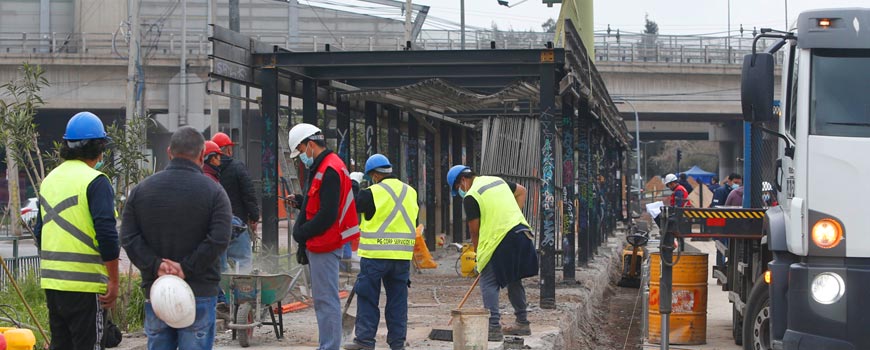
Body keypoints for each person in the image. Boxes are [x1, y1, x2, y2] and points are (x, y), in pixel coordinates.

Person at [122, 127, 232, 350]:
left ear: (169, 152)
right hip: (199, 291)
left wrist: (156, 265)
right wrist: (186, 268)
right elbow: (219, 238)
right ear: (202, 155)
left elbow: (128, 237)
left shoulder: (141, 191)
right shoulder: (214, 192)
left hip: (157, 292)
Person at [34, 111, 119, 350]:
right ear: (99, 147)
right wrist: (113, 281)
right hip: (87, 286)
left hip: (53, 284)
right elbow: (107, 235)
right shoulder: (96, 181)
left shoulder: (49, 180)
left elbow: (40, 232)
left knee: (61, 345)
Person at [287, 123, 360, 350]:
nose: (301, 158)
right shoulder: (323, 167)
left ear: (310, 145)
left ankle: (329, 347)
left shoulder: (329, 169)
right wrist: (302, 202)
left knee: (326, 301)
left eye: (300, 152)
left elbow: (328, 214)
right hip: (321, 243)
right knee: (324, 300)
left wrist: (301, 233)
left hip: (325, 244)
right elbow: (319, 203)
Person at [446, 165, 538, 341]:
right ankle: (523, 322)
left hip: (501, 240)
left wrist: (479, 254)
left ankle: (494, 327)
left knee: (488, 282)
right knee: (513, 279)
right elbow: (522, 191)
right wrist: (512, 218)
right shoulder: (496, 181)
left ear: (463, 181)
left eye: (458, 188)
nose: (460, 192)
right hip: (521, 233)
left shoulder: (471, 196)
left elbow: (474, 231)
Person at [343, 154, 417, 350]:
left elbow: (352, 206)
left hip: (375, 256)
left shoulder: (371, 192)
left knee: (367, 297)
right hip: (401, 258)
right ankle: (397, 343)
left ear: (374, 175)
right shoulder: (410, 192)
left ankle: (365, 341)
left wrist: (353, 183)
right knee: (397, 302)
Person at [211, 132, 258, 257]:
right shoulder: (237, 167)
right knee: (242, 264)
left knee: (221, 265)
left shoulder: (208, 171)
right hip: (238, 224)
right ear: (229, 150)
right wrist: (254, 217)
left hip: (215, 225)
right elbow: (249, 194)